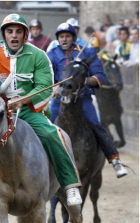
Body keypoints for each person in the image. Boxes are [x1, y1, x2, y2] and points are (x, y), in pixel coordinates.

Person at [0, 13, 82, 223]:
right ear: (4, 34)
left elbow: (45, 86)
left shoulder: (38, 55)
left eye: (18, 31)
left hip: (29, 111)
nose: (14, 35)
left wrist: (24, 99)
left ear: (25, 34)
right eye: (10, 31)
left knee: (54, 134)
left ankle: (70, 184)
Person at [47, 23, 127, 179]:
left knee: (95, 124)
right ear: (58, 39)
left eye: (67, 36)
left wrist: (85, 80)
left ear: (73, 37)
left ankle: (114, 159)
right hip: (60, 101)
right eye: (61, 36)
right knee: (47, 126)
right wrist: (53, 88)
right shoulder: (51, 55)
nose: (64, 39)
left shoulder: (87, 52)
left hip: (82, 99)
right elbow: (47, 77)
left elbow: (100, 75)